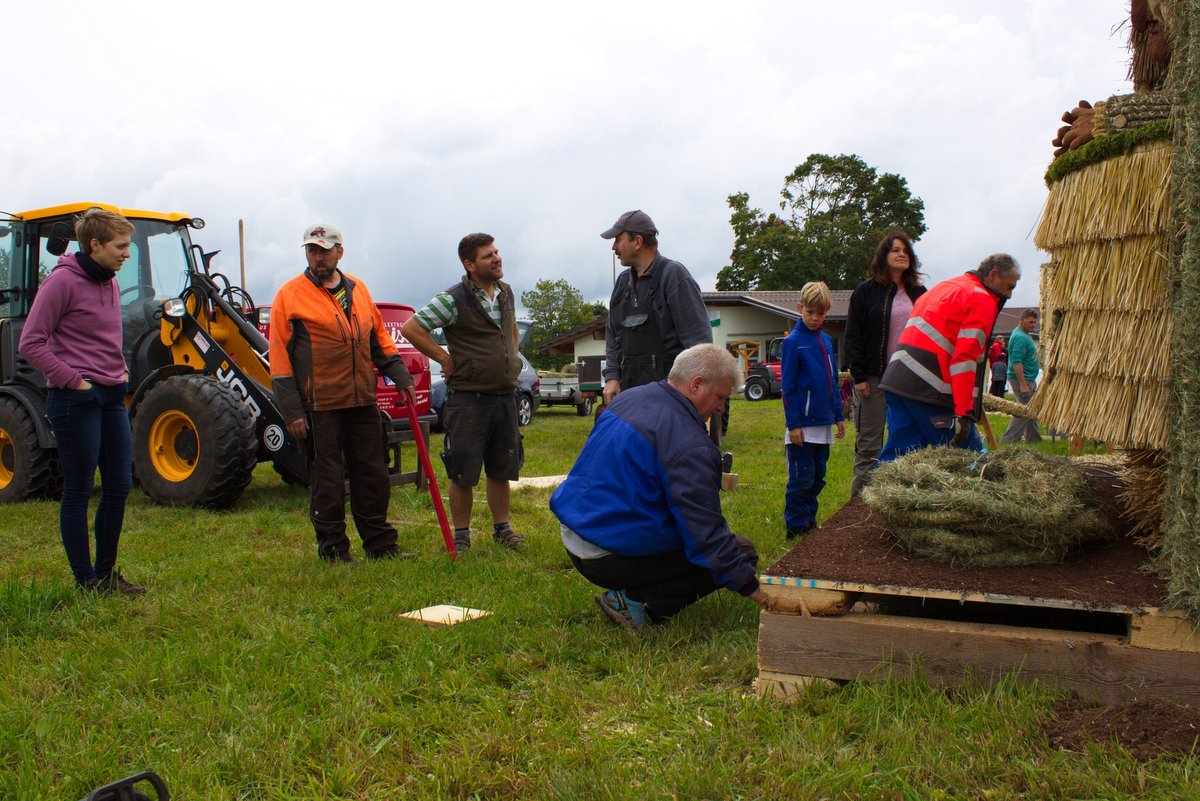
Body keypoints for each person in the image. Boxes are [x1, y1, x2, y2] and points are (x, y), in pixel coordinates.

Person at [550, 344, 767, 629]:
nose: (721, 408)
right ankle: (635, 604)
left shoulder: (630, 398)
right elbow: (707, 536)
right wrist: (760, 594)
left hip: (575, 535)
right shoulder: (688, 443)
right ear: (696, 385)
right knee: (740, 552)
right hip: (605, 555)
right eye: (721, 397)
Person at [269, 223, 417, 563]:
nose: (318, 257)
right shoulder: (289, 295)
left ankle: (381, 546)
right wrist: (291, 411)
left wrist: (401, 377)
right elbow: (279, 358)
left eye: (324, 250)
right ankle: (334, 550)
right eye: (311, 250)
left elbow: (379, 339)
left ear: (340, 251)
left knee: (373, 474)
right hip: (319, 406)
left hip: (362, 401)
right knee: (328, 480)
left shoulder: (359, 289)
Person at [19, 208, 143, 594]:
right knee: (78, 489)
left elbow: (104, 339)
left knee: (120, 486)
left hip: (110, 395)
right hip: (76, 399)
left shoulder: (110, 281)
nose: (127, 253)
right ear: (95, 245)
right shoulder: (61, 283)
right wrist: (75, 382)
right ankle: (85, 580)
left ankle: (106, 575)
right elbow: (31, 343)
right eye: (120, 246)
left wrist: (120, 372)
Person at [401, 233, 524, 551]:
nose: (497, 258)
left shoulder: (506, 293)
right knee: (463, 471)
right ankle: (462, 536)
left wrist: (510, 356)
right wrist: (443, 357)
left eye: (497, 252)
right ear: (470, 265)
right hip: (469, 399)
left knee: (502, 467)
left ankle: (502, 529)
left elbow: (511, 329)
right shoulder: (453, 298)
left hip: (504, 396)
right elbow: (412, 328)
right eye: (487, 256)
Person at [877, 254, 1022, 460]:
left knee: (899, 458)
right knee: (968, 460)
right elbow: (964, 360)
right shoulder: (982, 300)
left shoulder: (946, 287)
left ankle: (876, 492)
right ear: (993, 275)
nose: (1009, 295)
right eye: (1009, 286)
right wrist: (963, 413)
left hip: (898, 381)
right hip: (930, 387)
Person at [843, 231, 927, 495]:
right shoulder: (865, 292)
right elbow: (853, 336)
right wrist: (859, 377)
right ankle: (858, 510)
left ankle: (897, 501)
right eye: (895, 250)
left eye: (905, 250)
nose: (901, 254)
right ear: (883, 256)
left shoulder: (920, 293)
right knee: (869, 446)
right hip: (875, 378)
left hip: (910, 380)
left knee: (906, 443)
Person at [600, 210, 712, 406]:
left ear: (638, 241)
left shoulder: (673, 276)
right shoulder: (622, 283)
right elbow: (613, 337)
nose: (614, 247)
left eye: (618, 239)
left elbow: (699, 346)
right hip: (631, 395)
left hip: (671, 399)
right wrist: (612, 377)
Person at [782, 282, 846, 538]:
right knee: (801, 477)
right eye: (810, 312)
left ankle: (809, 519)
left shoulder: (827, 341)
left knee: (818, 475)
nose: (815, 318)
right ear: (800, 308)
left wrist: (839, 416)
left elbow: (833, 380)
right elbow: (788, 387)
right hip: (802, 426)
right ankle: (796, 524)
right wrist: (793, 424)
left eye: (821, 314)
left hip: (824, 422)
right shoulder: (793, 342)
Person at [1000, 309, 1042, 443]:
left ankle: (1034, 440)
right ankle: (1008, 441)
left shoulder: (1025, 335)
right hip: (1022, 379)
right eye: (1030, 322)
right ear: (1022, 320)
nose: (1033, 325)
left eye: (1034, 322)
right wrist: (1023, 384)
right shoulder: (1019, 337)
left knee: (1030, 410)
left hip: (1028, 378)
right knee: (1022, 412)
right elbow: (1016, 363)